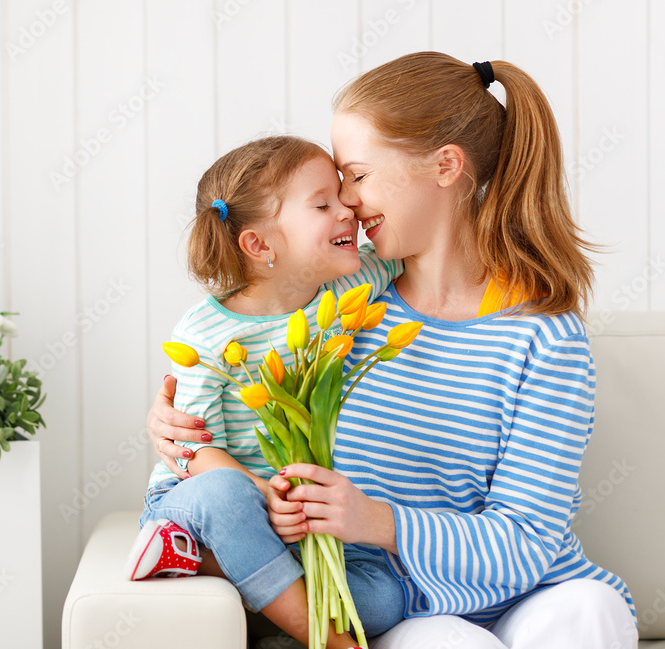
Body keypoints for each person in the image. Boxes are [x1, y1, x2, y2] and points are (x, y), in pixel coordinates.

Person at [146, 52, 638, 649]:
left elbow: (529, 539)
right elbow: (234, 410)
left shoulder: (544, 335)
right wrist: (176, 434)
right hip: (401, 604)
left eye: (356, 175)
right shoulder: (331, 312)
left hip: (530, 591)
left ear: (446, 166)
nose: (347, 202)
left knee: (589, 610)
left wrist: (376, 520)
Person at [125, 134, 405, 648]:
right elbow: (192, 448)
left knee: (385, 597)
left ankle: (251, 583)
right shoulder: (205, 333)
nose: (348, 209)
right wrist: (262, 494)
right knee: (224, 494)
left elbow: (416, 245)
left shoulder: (344, 291)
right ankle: (324, 637)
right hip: (206, 505)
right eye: (323, 204)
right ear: (259, 245)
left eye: (342, 194)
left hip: (291, 522)